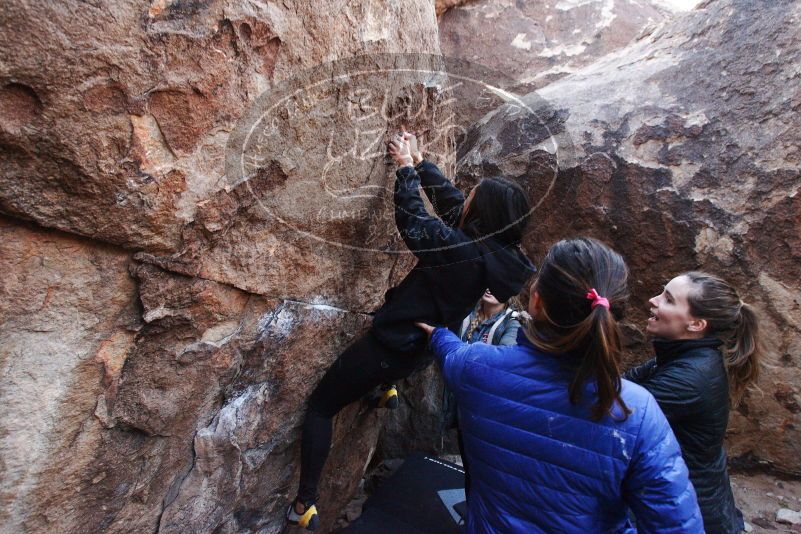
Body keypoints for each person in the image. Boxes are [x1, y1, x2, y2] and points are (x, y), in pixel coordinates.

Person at [286, 131, 536, 530]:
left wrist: (404, 171)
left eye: (475, 195)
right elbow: (456, 208)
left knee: (321, 406)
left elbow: (414, 220)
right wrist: (421, 164)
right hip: (421, 350)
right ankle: (384, 388)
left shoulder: (460, 251)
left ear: (485, 215)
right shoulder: (498, 253)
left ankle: (305, 504)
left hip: (393, 345)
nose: (465, 195)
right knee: (392, 364)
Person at [417, 237, 703, 533]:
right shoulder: (636, 411)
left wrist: (436, 334)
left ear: (537, 300)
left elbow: (452, 352)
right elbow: (676, 524)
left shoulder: (476, 368)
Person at [625, 272, 762, 533]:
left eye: (667, 299)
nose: (652, 300)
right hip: (690, 497)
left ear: (696, 324)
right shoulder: (685, 356)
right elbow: (625, 384)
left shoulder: (690, 378)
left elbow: (612, 408)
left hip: (689, 512)